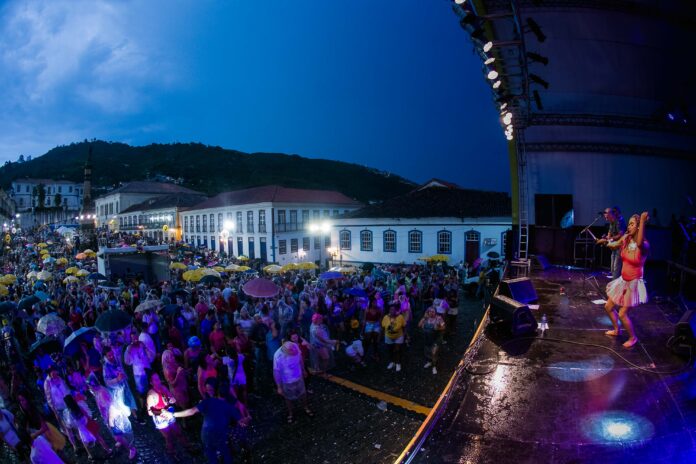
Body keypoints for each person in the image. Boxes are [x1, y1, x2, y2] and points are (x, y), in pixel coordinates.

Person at [172, 377, 246, 464]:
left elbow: (191, 411)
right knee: (225, 454)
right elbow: (242, 421)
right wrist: (245, 418)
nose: (208, 391)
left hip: (208, 435)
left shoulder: (208, 401)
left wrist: (173, 414)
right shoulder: (228, 405)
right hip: (217, 435)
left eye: (210, 389)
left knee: (212, 454)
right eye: (207, 389)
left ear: (216, 389)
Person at [604, 212, 650, 348]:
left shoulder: (644, 245)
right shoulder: (627, 240)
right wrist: (609, 241)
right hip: (622, 281)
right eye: (628, 223)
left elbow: (640, 242)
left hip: (634, 283)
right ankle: (617, 330)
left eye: (632, 224)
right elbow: (613, 245)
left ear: (638, 227)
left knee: (623, 313)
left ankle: (633, 337)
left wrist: (642, 220)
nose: (629, 226)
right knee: (608, 306)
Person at [146, 373, 192, 461]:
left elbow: (171, 398)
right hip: (160, 420)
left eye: (158, 379)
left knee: (178, 431)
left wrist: (172, 399)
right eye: (155, 380)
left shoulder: (163, 388)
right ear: (151, 382)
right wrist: (162, 412)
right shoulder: (151, 395)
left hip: (169, 415)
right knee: (169, 437)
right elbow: (150, 412)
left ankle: (188, 446)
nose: (158, 381)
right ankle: (171, 453)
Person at [273, 341, 312, 423]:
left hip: (299, 377)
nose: (294, 350)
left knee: (303, 393)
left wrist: (303, 370)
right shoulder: (278, 356)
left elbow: (300, 358)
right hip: (287, 381)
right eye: (292, 351)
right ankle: (291, 413)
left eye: (294, 349)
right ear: (286, 351)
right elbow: (276, 372)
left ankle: (306, 407)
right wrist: (279, 387)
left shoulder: (294, 345)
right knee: (288, 398)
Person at [596, 206, 626, 279]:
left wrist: (608, 239)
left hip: (619, 247)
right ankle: (614, 284)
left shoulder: (619, 221)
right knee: (613, 268)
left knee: (616, 268)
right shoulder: (612, 222)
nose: (606, 218)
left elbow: (620, 235)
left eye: (607, 217)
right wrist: (606, 237)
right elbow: (610, 233)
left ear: (611, 214)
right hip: (614, 247)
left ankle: (615, 285)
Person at [418, 307, 445, 375]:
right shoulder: (425, 318)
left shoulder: (439, 318)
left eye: (433, 311)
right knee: (427, 352)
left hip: (436, 339)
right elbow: (419, 325)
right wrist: (424, 318)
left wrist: (438, 327)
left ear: (435, 312)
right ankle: (429, 362)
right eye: (430, 311)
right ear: (427, 312)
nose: (431, 313)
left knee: (434, 353)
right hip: (427, 339)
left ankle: (434, 366)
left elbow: (443, 326)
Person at [382, 302, 406, 372]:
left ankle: (398, 363)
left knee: (397, 350)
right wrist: (384, 336)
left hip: (399, 336)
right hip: (388, 336)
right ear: (389, 310)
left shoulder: (400, 317)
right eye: (390, 309)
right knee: (390, 350)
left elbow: (404, 327)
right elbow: (383, 327)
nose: (392, 311)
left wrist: (404, 335)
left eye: (393, 309)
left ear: (396, 310)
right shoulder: (386, 317)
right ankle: (392, 362)